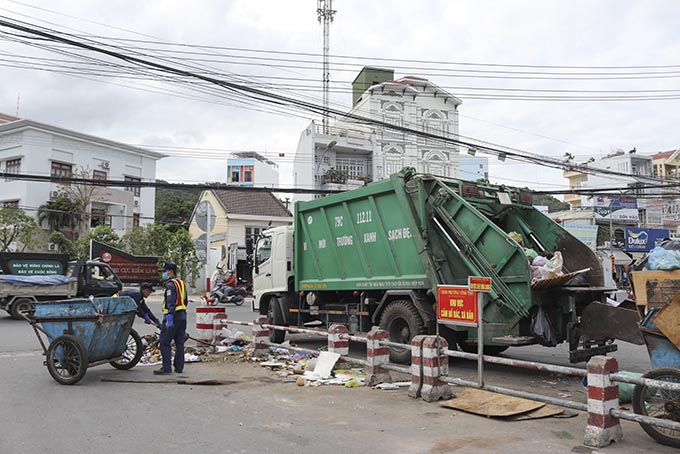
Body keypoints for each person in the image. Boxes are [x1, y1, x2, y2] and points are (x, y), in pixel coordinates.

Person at [154, 261, 188, 375]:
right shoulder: (181, 283)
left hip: (173, 316)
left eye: (165, 271)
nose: (164, 274)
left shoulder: (170, 285)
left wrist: (169, 317)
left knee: (164, 342)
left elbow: (170, 302)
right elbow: (185, 300)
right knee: (179, 343)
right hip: (183, 315)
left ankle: (166, 368)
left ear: (170, 271)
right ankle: (179, 367)